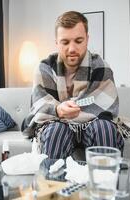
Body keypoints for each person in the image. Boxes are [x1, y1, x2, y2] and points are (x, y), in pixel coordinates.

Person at [22, 11, 124, 159]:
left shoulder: (101, 68)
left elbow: (108, 110)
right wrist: (57, 109)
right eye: (65, 42)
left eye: (78, 41)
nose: (72, 49)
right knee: (56, 131)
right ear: (56, 42)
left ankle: (105, 181)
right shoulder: (44, 68)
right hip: (56, 124)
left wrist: (73, 112)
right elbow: (39, 105)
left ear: (87, 40)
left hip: (93, 125)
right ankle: (53, 181)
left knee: (104, 128)